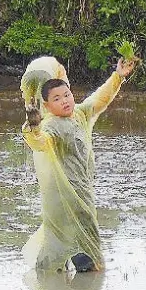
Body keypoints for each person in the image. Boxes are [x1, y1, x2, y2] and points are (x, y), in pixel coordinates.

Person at [20, 55, 136, 272]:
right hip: (62, 201)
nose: (65, 101)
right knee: (59, 256)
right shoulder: (51, 126)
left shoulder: (80, 114)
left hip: (82, 197)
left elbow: (100, 99)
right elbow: (39, 143)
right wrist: (33, 126)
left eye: (67, 95)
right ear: (46, 105)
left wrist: (118, 77)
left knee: (86, 254)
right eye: (57, 99)